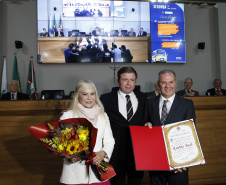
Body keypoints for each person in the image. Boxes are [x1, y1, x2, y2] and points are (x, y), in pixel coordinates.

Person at [144, 69, 196, 185]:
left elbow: (191, 134)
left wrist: (184, 161)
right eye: (163, 82)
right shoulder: (149, 103)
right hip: (156, 161)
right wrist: (145, 126)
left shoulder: (187, 104)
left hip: (179, 163)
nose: (168, 86)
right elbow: (144, 125)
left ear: (175, 83)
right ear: (158, 84)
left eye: (171, 82)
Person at [59, 80, 115, 185]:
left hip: (98, 170)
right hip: (74, 173)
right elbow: (60, 143)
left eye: (92, 94)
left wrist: (103, 153)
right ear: (78, 96)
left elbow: (110, 140)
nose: (89, 98)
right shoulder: (67, 116)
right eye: (85, 94)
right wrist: (69, 155)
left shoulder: (103, 116)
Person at [100, 66, 146, 185]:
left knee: (136, 182)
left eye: (132, 80)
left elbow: (150, 118)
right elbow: (93, 115)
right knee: (116, 183)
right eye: (125, 79)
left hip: (137, 153)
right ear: (118, 81)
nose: (128, 83)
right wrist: (72, 111)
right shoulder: (105, 99)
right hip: (114, 153)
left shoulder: (144, 98)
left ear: (135, 81)